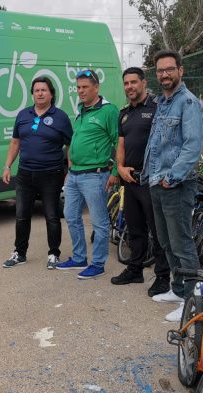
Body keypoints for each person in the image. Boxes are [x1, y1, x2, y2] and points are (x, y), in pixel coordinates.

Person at [141, 50, 203, 321]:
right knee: (166, 241)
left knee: (181, 242)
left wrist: (171, 178)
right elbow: (157, 144)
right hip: (157, 181)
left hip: (175, 185)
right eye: (160, 71)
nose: (164, 74)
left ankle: (192, 299)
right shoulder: (163, 103)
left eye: (169, 69)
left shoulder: (188, 103)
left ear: (181, 70)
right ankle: (178, 290)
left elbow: (192, 146)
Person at [110, 67, 170, 297]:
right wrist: (120, 168)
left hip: (151, 179)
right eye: (126, 83)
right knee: (135, 228)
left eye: (133, 82)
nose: (129, 87)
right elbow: (121, 145)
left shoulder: (157, 108)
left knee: (158, 230)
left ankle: (163, 277)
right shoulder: (124, 113)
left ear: (144, 83)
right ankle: (135, 269)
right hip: (130, 179)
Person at [2, 77, 73, 269]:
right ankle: (19, 253)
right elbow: (15, 142)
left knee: (51, 215)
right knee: (22, 215)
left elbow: (70, 145)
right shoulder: (23, 115)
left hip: (51, 174)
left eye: (44, 90)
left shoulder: (60, 117)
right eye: (36, 90)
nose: (40, 93)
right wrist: (7, 165)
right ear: (32, 94)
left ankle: (54, 254)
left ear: (51, 94)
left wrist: (71, 170)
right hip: (25, 174)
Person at [55, 69, 120, 279]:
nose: (80, 91)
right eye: (78, 87)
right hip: (74, 175)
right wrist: (70, 167)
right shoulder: (81, 109)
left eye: (85, 87)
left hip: (95, 175)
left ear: (96, 87)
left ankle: (98, 263)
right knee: (71, 216)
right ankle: (79, 257)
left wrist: (116, 170)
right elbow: (76, 140)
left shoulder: (109, 111)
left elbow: (119, 142)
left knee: (99, 222)